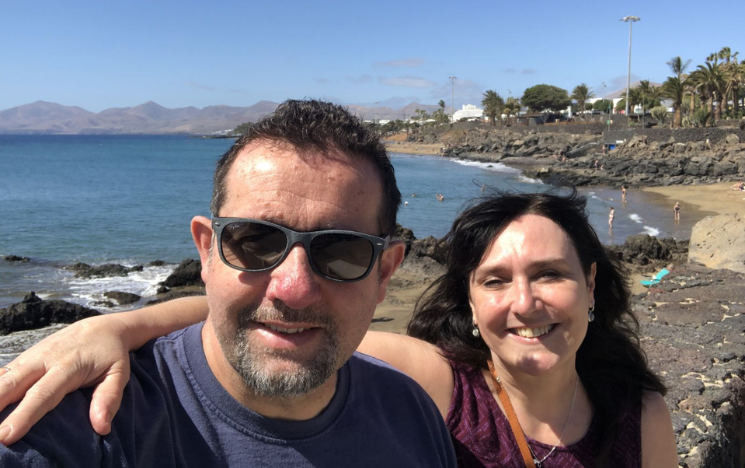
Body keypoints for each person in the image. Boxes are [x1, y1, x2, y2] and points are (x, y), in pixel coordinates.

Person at [0, 192, 678, 467]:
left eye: (550, 275)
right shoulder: (437, 381)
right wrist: (117, 328)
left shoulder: (638, 418)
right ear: (470, 305)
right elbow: (279, 318)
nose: (524, 303)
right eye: (494, 280)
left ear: (591, 285)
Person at [0, 100, 457, 467]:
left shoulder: (411, 415)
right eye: (256, 240)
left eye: (341, 251)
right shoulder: (86, 421)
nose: (292, 288)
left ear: (385, 272)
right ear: (206, 250)